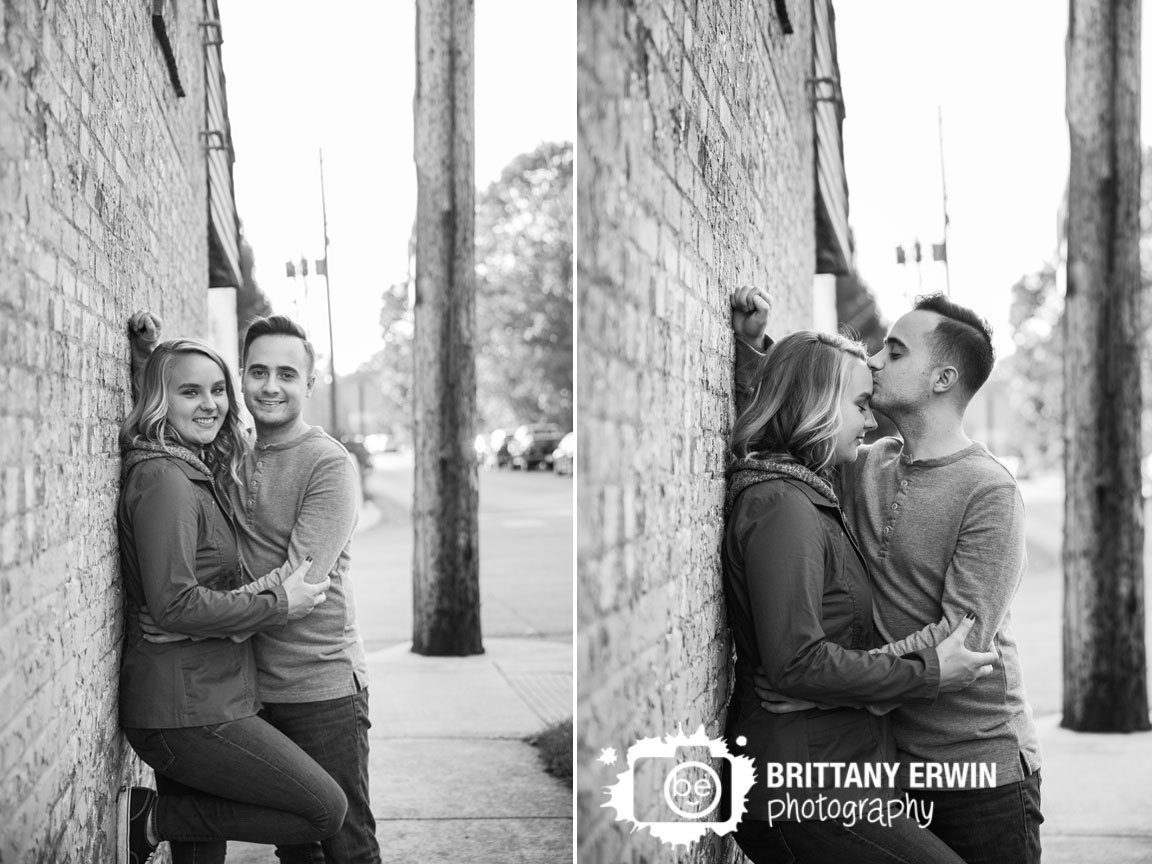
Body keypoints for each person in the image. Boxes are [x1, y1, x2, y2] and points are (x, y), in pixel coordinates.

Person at [733, 287, 1043, 864]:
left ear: (943, 379)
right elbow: (801, 412)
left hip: (977, 766)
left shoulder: (990, 492)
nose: (874, 361)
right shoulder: (865, 464)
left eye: (894, 352)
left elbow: (962, 642)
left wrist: (829, 687)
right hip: (890, 759)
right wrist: (753, 349)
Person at [129, 312, 380, 864]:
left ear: (309, 384)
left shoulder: (328, 464)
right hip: (243, 686)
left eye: (287, 374)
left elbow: (298, 584)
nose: (271, 386)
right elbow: (173, 412)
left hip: (318, 686)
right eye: (259, 372)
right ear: (242, 379)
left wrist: (193, 617)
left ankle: (155, 823)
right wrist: (149, 360)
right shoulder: (228, 450)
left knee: (344, 841)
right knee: (295, 844)